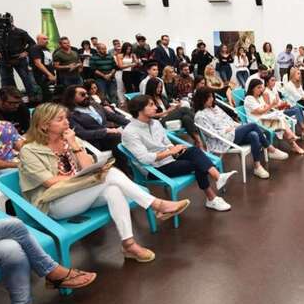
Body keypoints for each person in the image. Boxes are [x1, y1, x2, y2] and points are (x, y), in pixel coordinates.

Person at [19, 103, 189, 263]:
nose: (67, 122)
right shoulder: (30, 150)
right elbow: (50, 182)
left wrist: (74, 145)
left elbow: (87, 167)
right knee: (110, 174)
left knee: (113, 189)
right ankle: (157, 205)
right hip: (54, 203)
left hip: (79, 194)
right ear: (44, 125)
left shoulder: (70, 139)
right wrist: (84, 179)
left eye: (66, 117)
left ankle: (129, 244)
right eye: (60, 119)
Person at [122, 95, 235, 211]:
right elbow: (145, 159)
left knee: (194, 150)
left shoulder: (155, 123)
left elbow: (166, 142)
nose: (155, 107)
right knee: (198, 164)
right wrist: (171, 152)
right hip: (154, 168)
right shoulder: (130, 132)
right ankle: (211, 198)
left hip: (169, 158)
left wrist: (174, 149)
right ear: (139, 109)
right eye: (151, 105)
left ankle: (218, 177)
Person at [193, 88, 287, 179]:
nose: (211, 99)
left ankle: (257, 167)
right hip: (222, 140)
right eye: (208, 97)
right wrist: (227, 130)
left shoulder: (215, 108)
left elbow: (229, 120)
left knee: (253, 135)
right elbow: (211, 134)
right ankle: (271, 149)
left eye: (212, 96)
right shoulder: (200, 116)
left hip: (232, 134)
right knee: (253, 125)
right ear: (201, 99)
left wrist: (238, 126)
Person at [63, 85, 129, 156]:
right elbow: (83, 133)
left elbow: (112, 116)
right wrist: (105, 131)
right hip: (96, 141)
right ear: (72, 98)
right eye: (82, 94)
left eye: (87, 93)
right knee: (118, 137)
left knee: (129, 129)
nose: (86, 96)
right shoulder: (70, 115)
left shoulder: (94, 104)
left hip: (110, 134)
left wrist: (132, 123)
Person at [244, 79, 304, 154]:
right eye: (258, 87)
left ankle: (292, 140)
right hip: (256, 123)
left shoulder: (258, 98)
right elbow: (260, 111)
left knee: (280, 117)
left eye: (261, 87)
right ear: (252, 88)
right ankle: (292, 138)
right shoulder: (249, 98)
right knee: (280, 122)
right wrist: (271, 105)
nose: (261, 89)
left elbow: (264, 109)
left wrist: (267, 107)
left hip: (263, 119)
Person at [143, 79, 203, 149]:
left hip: (169, 117)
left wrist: (175, 107)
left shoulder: (162, 97)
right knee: (184, 109)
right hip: (159, 121)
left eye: (160, 87)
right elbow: (151, 116)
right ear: (152, 87)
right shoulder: (148, 100)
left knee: (186, 118)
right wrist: (167, 111)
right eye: (158, 87)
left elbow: (169, 107)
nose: (160, 89)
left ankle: (198, 141)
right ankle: (200, 123)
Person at [0, 17, 37, 97]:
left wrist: (26, 52)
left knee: (26, 78)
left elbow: (32, 43)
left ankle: (32, 96)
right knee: (6, 79)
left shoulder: (21, 32)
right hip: (3, 59)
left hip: (19, 59)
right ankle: (12, 96)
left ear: (12, 22)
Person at [263, 74, 304, 141]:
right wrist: (280, 105)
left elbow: (279, 100)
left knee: (298, 107)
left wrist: (284, 104)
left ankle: (303, 131)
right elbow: (269, 108)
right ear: (267, 82)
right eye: (272, 80)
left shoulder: (274, 89)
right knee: (296, 110)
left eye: (274, 80)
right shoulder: (266, 93)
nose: (274, 82)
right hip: (276, 112)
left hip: (282, 108)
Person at [29, 35, 56, 102]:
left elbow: (49, 63)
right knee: (44, 96)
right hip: (41, 76)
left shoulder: (46, 49)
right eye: (44, 39)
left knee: (50, 95)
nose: (46, 41)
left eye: (47, 39)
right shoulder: (35, 48)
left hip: (48, 77)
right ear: (38, 39)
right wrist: (49, 74)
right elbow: (38, 63)